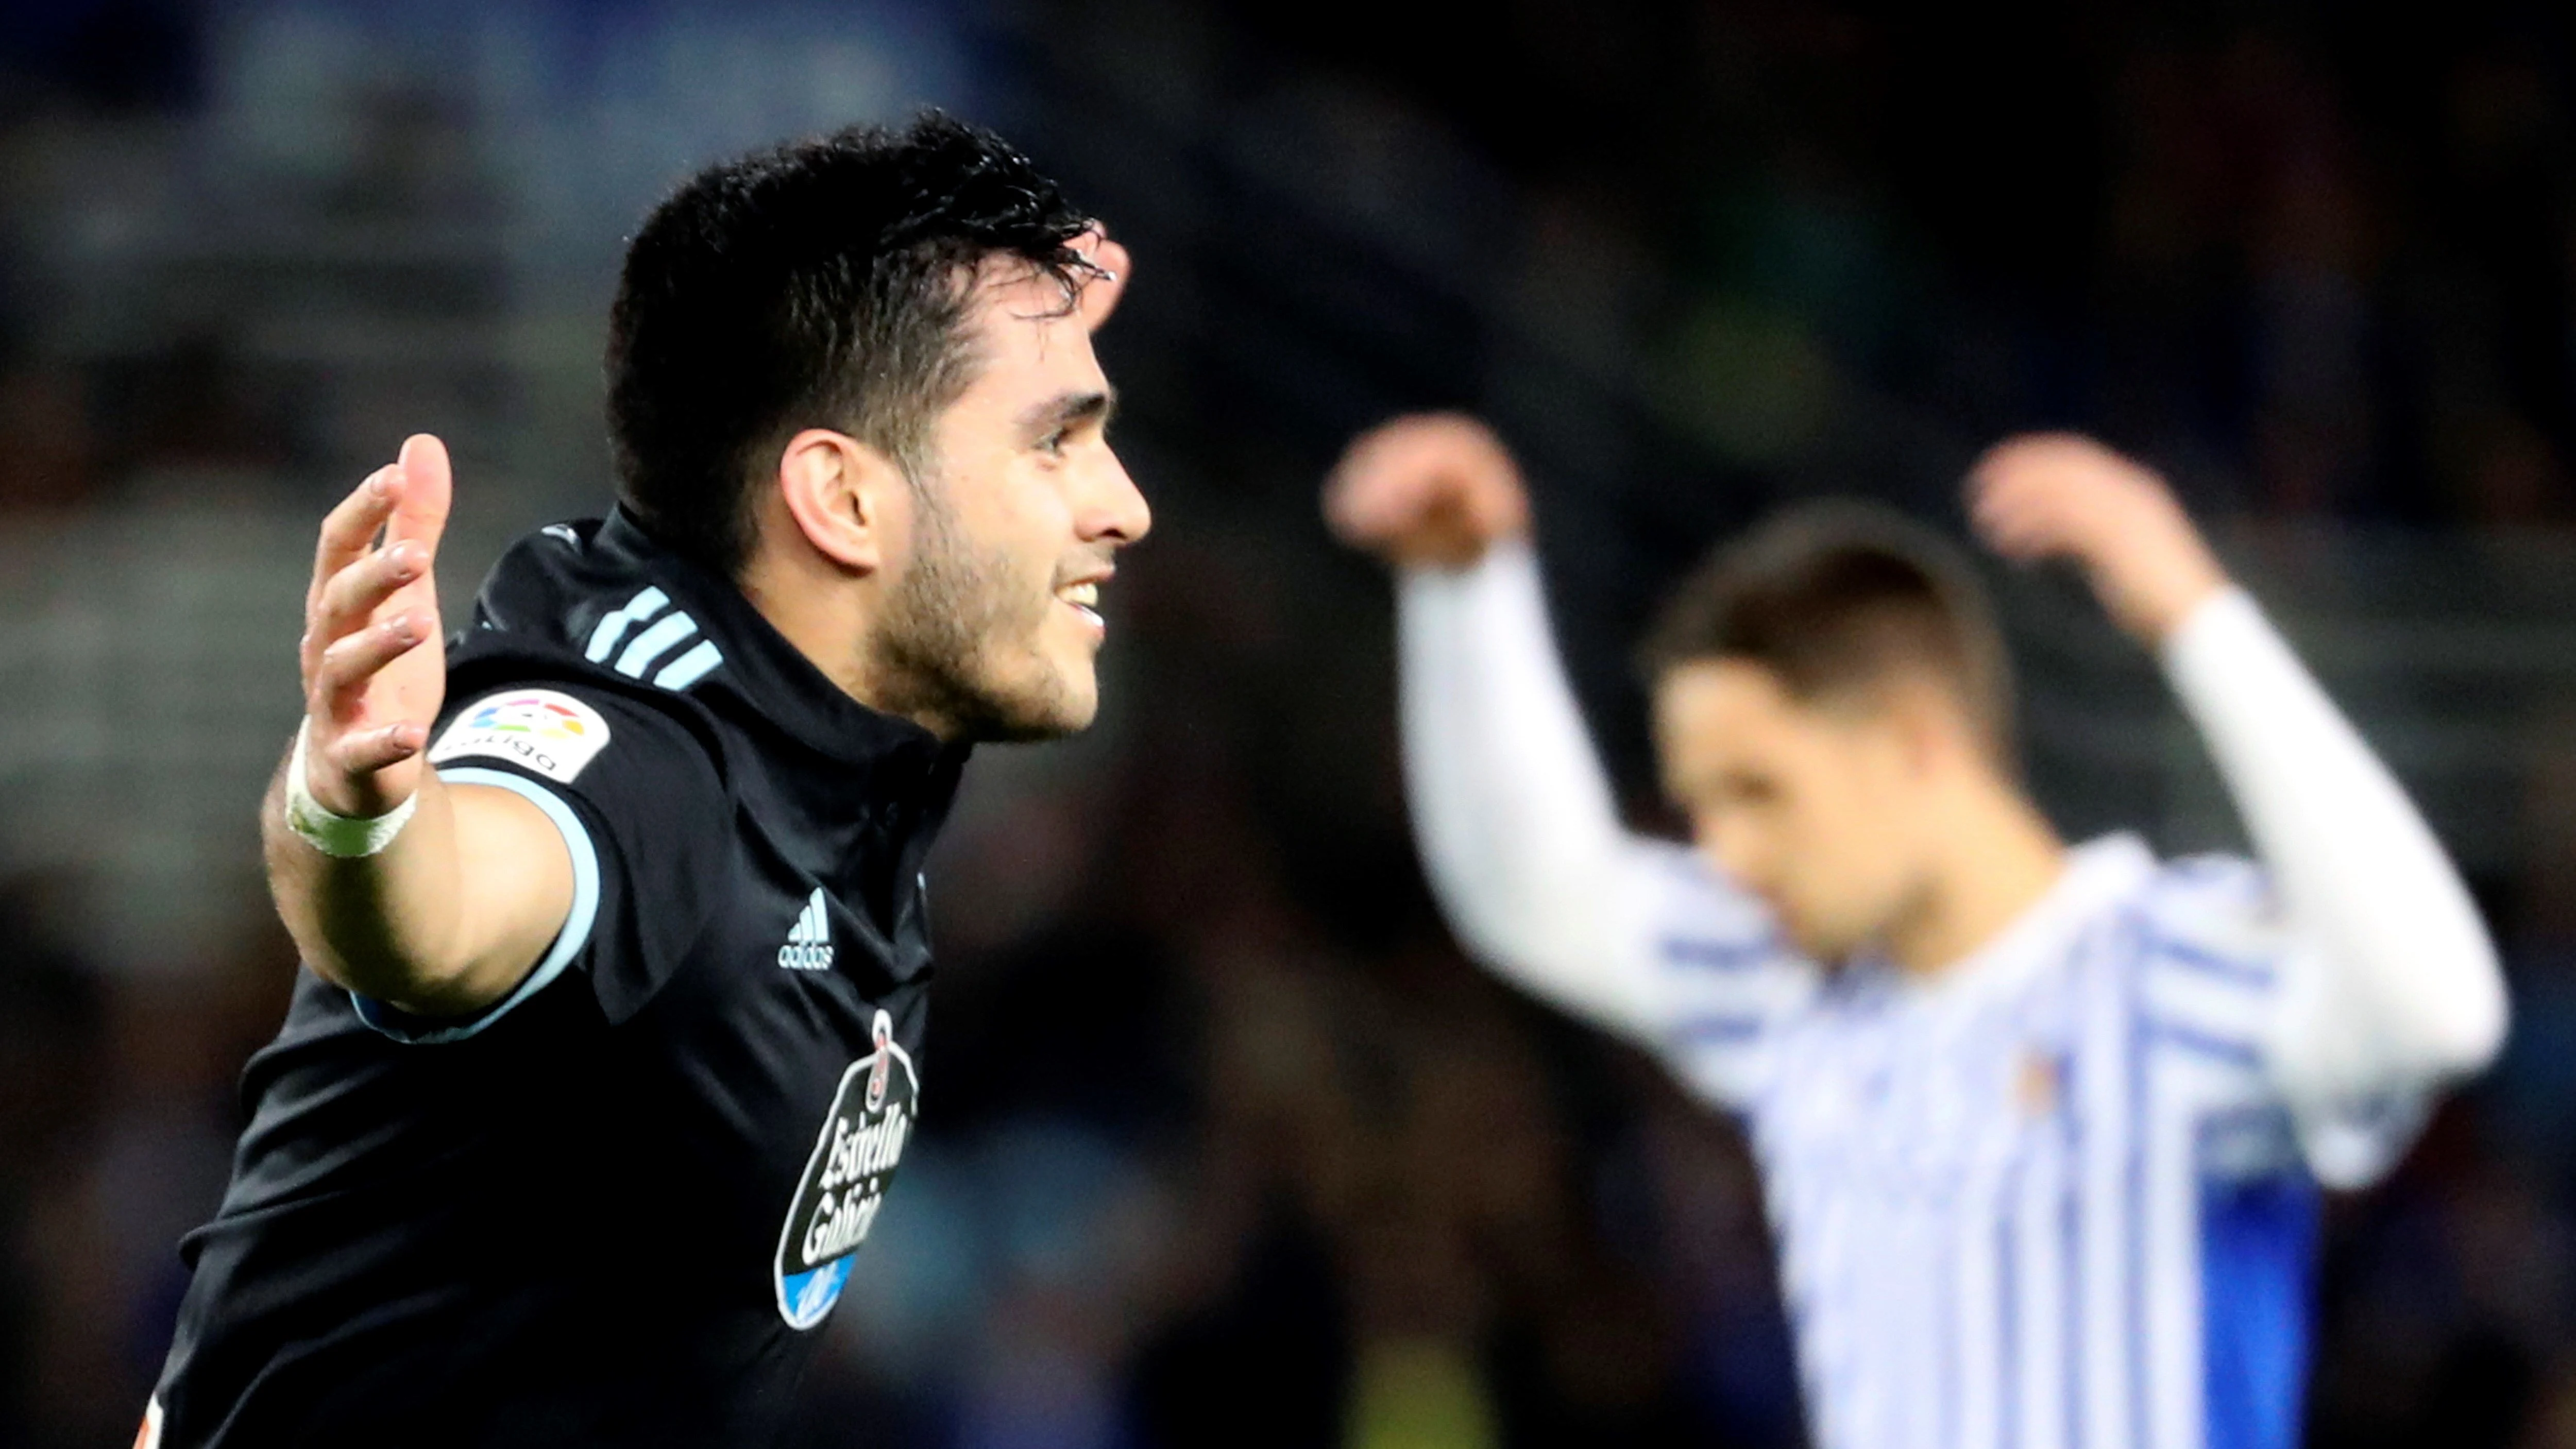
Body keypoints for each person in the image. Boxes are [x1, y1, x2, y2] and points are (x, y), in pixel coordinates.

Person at [142, 114, 1150, 1448]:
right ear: (842, 502)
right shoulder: (653, 764)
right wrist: (360, 809)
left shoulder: (845, 717)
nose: (1124, 503)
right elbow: (443, 901)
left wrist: (1009, 310)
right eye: (1059, 442)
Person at [1325, 416, 2509, 1449]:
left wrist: (2197, 616)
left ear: (1912, 742)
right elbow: (1534, 895)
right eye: (1699, 807)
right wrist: (1464, 591)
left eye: (1758, 791)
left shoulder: (2172, 964)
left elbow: (2438, 1006)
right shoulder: (1782, 991)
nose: (1723, 854)